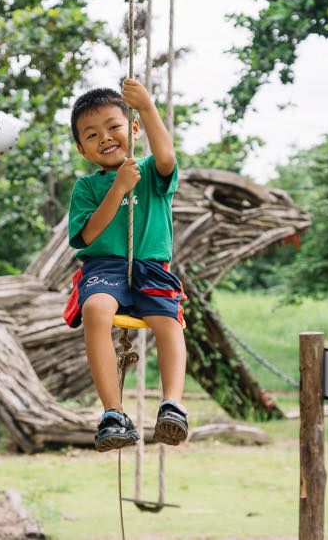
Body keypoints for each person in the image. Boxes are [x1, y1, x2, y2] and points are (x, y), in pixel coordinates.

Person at [62, 80, 188, 452]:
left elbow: (166, 157)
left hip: (150, 265)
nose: (105, 138)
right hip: (106, 266)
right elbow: (87, 235)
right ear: (82, 148)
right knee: (96, 309)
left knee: (169, 320)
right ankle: (113, 413)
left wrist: (146, 107)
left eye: (114, 127)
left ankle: (173, 405)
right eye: (92, 134)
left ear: (133, 129)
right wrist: (117, 188)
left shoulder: (150, 172)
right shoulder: (86, 188)